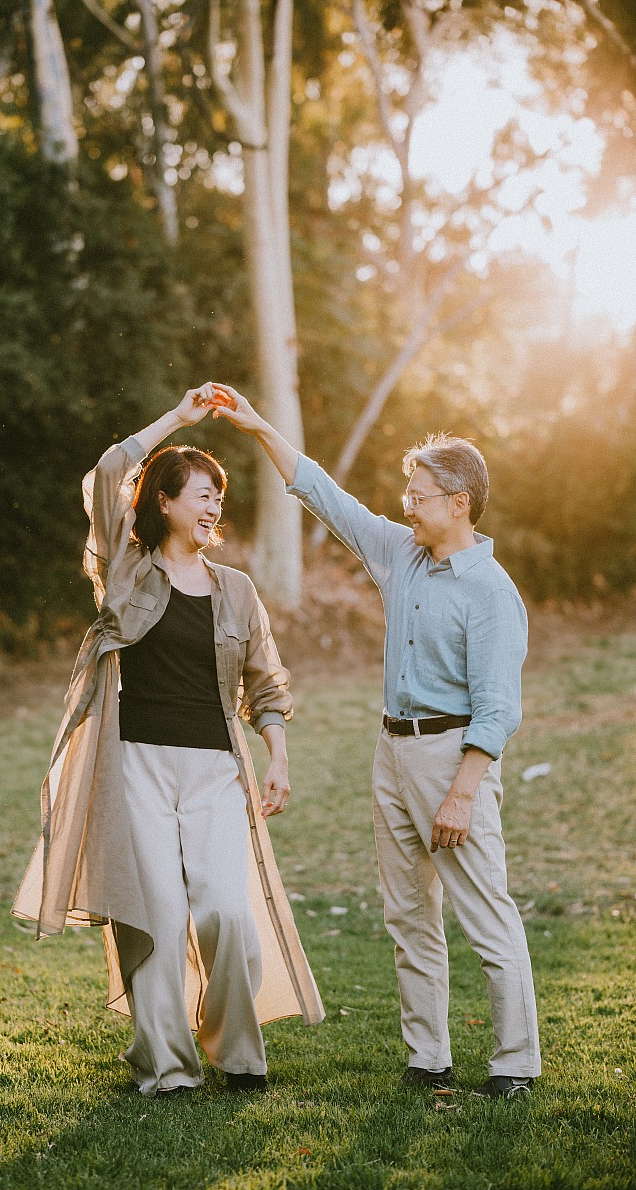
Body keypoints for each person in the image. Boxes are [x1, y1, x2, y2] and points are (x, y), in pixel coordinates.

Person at [210, 383, 540, 1100]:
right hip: (391, 753)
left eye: (419, 494)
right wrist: (258, 423)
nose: (405, 505)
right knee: (408, 915)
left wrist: (462, 789)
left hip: (452, 758)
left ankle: (515, 1064)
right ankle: (429, 1058)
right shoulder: (399, 552)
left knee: (486, 914)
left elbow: (498, 709)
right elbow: (323, 493)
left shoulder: (489, 591)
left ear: (459, 503)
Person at [13, 384, 324, 1098]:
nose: (213, 505)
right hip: (137, 767)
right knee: (153, 915)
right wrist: (179, 420)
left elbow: (266, 685)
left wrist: (277, 755)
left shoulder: (238, 591)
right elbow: (104, 474)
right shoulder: (127, 570)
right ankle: (167, 1065)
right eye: (199, 493)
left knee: (226, 912)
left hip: (217, 769)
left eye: (218, 493)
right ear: (163, 501)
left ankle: (236, 1051)